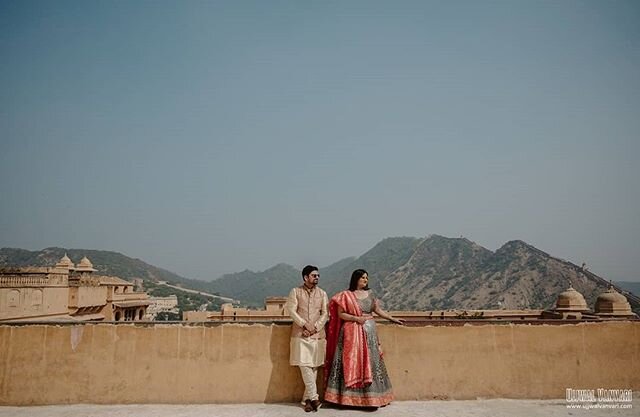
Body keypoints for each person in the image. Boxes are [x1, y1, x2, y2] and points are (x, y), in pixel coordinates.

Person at [324, 269, 404, 408]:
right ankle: (345, 399)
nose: (365, 280)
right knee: (349, 361)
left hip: (369, 332)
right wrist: (356, 318)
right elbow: (341, 314)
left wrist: (392, 318)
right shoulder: (346, 295)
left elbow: (377, 310)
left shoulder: (370, 294)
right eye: (362, 278)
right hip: (350, 333)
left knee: (371, 361)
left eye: (366, 278)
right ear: (356, 279)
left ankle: (373, 399)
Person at [285, 265, 329, 412]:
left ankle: (307, 400)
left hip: (317, 335)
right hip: (300, 335)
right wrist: (304, 325)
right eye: (314, 275)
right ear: (305, 277)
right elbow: (291, 310)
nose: (317, 277)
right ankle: (315, 398)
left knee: (314, 367)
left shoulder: (322, 294)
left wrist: (314, 327)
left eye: (318, 275)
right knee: (304, 365)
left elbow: (325, 314)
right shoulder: (295, 292)